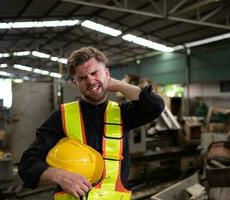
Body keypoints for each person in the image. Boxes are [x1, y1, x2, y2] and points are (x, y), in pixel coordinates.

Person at [18, 47, 165, 199]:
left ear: (107, 73)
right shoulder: (61, 116)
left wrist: (120, 85)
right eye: (82, 78)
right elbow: (27, 164)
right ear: (75, 83)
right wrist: (59, 175)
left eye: (95, 73)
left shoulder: (123, 114)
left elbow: (155, 106)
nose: (90, 81)